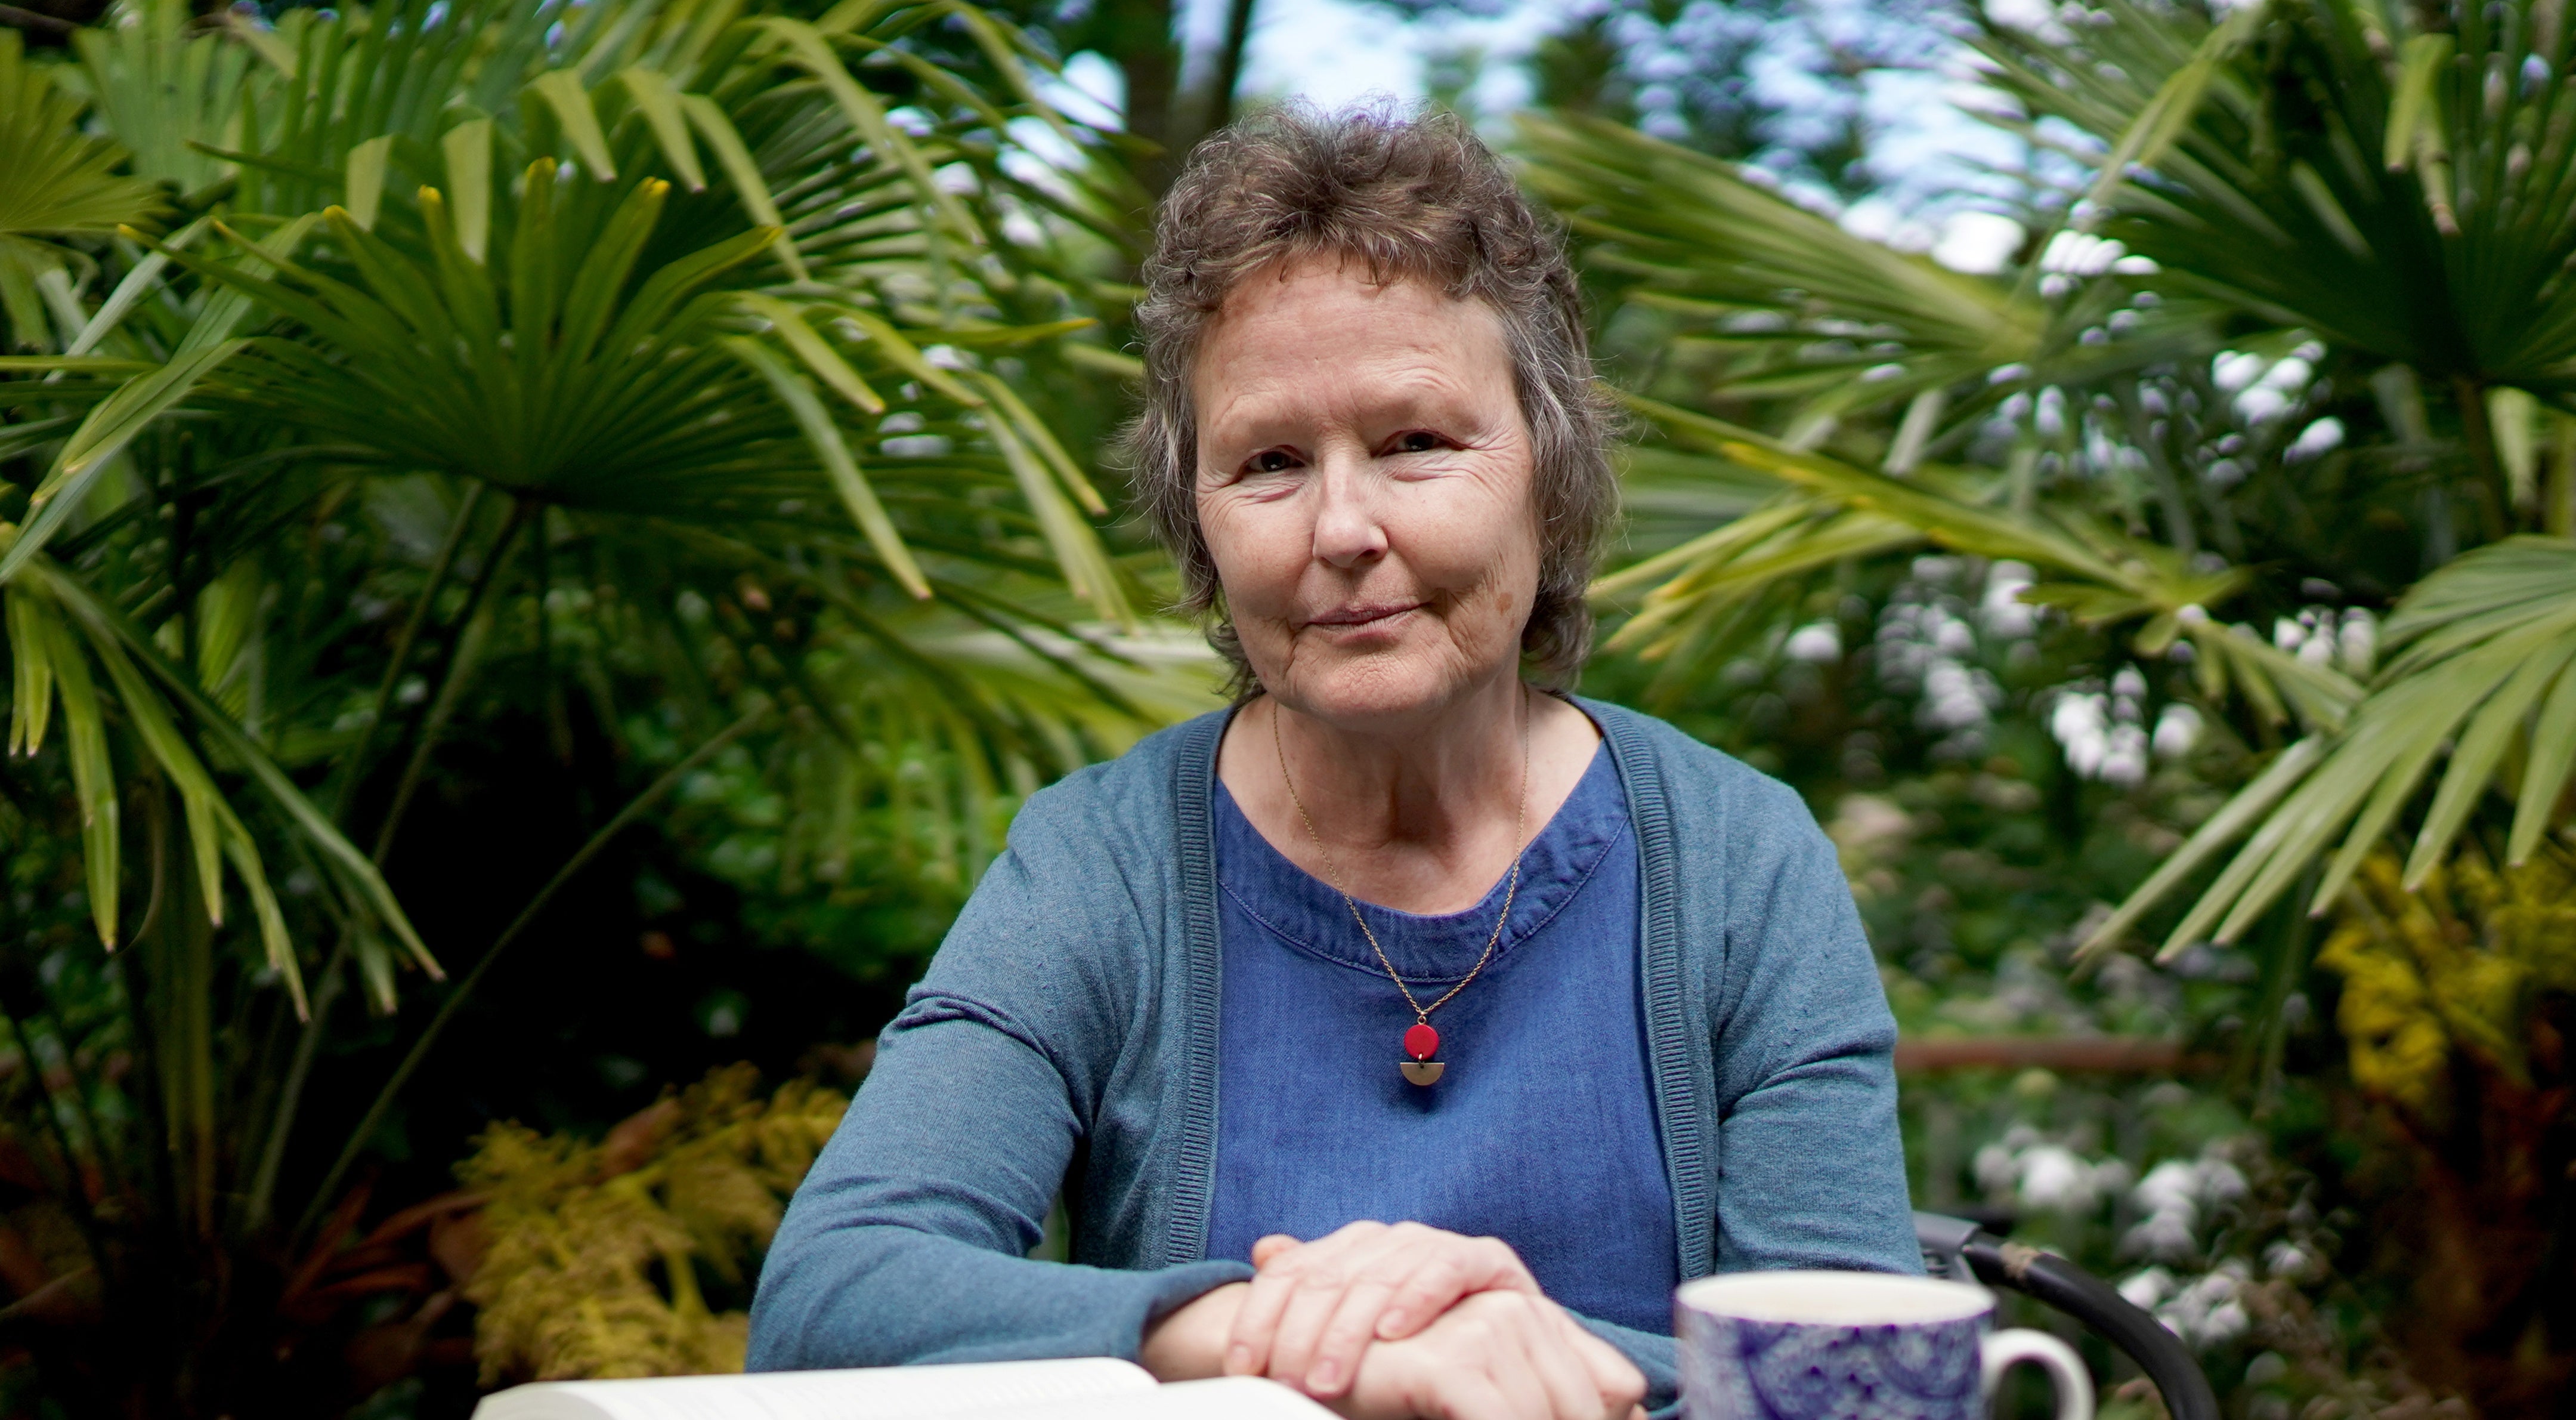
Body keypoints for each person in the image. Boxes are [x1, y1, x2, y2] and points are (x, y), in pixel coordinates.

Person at [746, 104, 1918, 1419]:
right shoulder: (1103, 864)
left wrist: (1513, 1345)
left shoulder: (1737, 861)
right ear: (1197, 521)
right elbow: (830, 1301)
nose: (1342, 527)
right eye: (1270, 463)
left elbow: (1853, 1377)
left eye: (1417, 442)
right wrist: (1275, 1334)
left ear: (1551, 469)